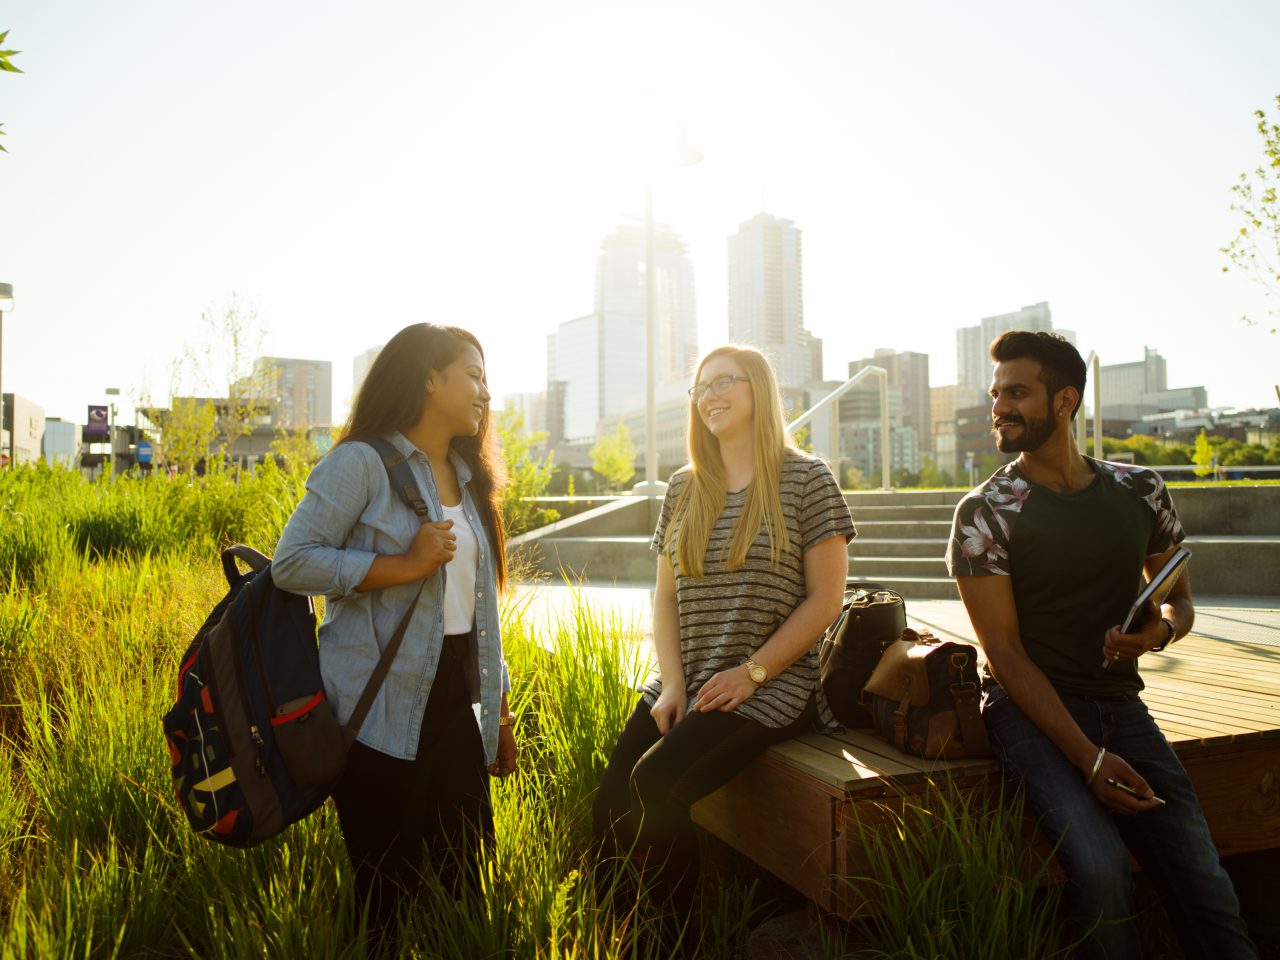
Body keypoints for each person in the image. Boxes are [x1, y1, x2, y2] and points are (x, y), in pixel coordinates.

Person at [946, 330, 1256, 960]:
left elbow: (1180, 598)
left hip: (1124, 707)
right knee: (1101, 868)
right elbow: (1003, 655)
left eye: (1017, 392)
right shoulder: (986, 512)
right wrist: (1088, 759)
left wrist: (1160, 632)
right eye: (996, 392)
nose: (999, 406)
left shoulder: (1140, 489)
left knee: (1206, 881)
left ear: (1065, 401)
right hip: (1027, 713)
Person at [592, 344, 855, 931]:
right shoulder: (685, 487)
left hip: (773, 687)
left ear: (758, 389)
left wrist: (752, 672)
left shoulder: (807, 479)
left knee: (657, 784)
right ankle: (609, 930)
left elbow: (825, 600)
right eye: (700, 387)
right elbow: (664, 596)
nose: (709, 396)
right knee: (609, 804)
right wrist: (673, 684)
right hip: (690, 677)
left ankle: (673, 940)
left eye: (723, 382)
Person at [272, 323, 517, 941]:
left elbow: (477, 608)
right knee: (385, 896)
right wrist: (403, 566)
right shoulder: (362, 464)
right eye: (473, 374)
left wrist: (501, 709)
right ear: (430, 379)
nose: (485, 390)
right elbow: (292, 562)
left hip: (455, 707)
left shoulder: (468, 477)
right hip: (376, 709)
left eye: (487, 378)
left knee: (466, 884)